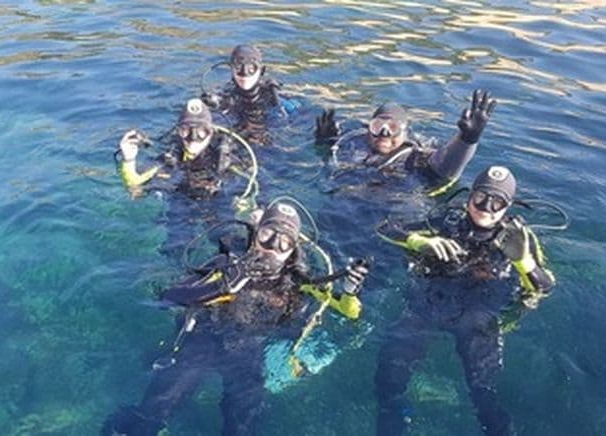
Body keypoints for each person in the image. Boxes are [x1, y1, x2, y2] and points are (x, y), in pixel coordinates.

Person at [102, 200, 371, 436]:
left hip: (247, 353)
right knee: (153, 410)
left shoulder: (298, 282)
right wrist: (221, 286)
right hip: (201, 343)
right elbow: (168, 297)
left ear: (293, 251)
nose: (272, 248)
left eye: (284, 242)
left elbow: (349, 313)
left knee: (244, 423)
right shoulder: (226, 266)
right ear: (255, 235)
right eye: (267, 235)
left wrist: (349, 292)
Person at [374, 166, 556, 436]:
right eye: (481, 197)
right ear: (469, 196)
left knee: (483, 390)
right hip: (428, 304)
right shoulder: (445, 221)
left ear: (508, 206)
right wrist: (419, 242)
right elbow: (384, 229)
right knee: (388, 378)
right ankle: (395, 418)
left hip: (479, 314)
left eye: (498, 202)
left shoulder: (519, 236)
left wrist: (522, 261)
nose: (487, 208)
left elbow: (546, 286)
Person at [118, 97, 258, 257]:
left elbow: (253, 184)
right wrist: (129, 160)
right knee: (176, 249)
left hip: (217, 201)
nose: (193, 138)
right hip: (181, 201)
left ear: (211, 132)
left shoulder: (225, 159)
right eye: (186, 131)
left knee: (230, 246)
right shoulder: (170, 156)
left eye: (201, 132)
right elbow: (135, 190)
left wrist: (251, 209)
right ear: (178, 131)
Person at [314, 89, 496, 196]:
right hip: (346, 205)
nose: (384, 133)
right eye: (378, 125)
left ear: (405, 132)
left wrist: (467, 139)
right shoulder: (352, 143)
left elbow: (448, 164)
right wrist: (324, 142)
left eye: (392, 127)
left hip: (394, 213)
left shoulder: (417, 159)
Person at [200, 45, 298, 145]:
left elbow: (293, 120)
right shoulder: (226, 95)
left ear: (261, 70)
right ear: (231, 70)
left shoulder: (273, 97)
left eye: (251, 68)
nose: (244, 74)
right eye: (238, 67)